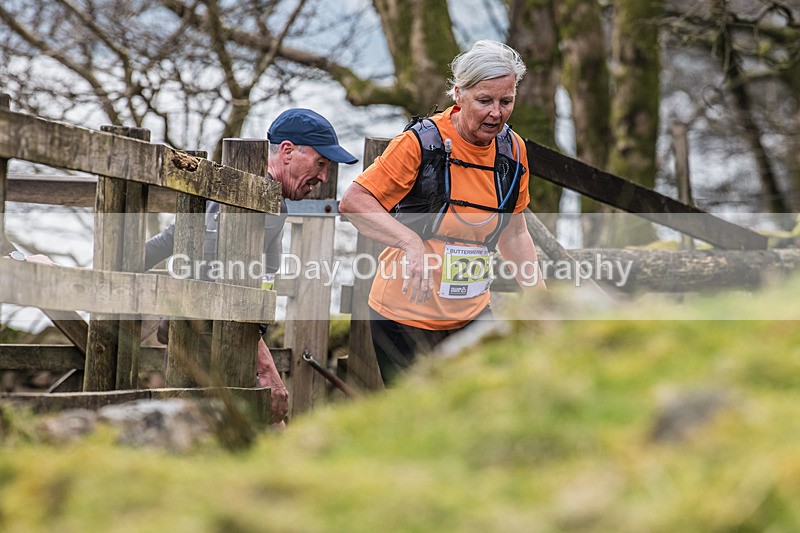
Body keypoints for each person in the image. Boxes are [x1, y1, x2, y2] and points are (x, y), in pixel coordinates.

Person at [339, 40, 546, 385]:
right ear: (458, 93)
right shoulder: (421, 143)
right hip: (401, 316)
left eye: (506, 101)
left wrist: (540, 298)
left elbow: (514, 232)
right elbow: (355, 202)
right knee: (419, 422)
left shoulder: (513, 150)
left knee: (483, 408)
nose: (496, 113)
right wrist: (410, 243)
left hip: (472, 313)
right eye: (484, 101)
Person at [146, 108, 357, 423]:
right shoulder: (251, 198)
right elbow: (217, 284)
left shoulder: (266, 199)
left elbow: (167, 243)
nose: (324, 177)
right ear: (286, 151)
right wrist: (267, 370)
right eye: (321, 163)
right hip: (215, 345)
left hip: (220, 341)